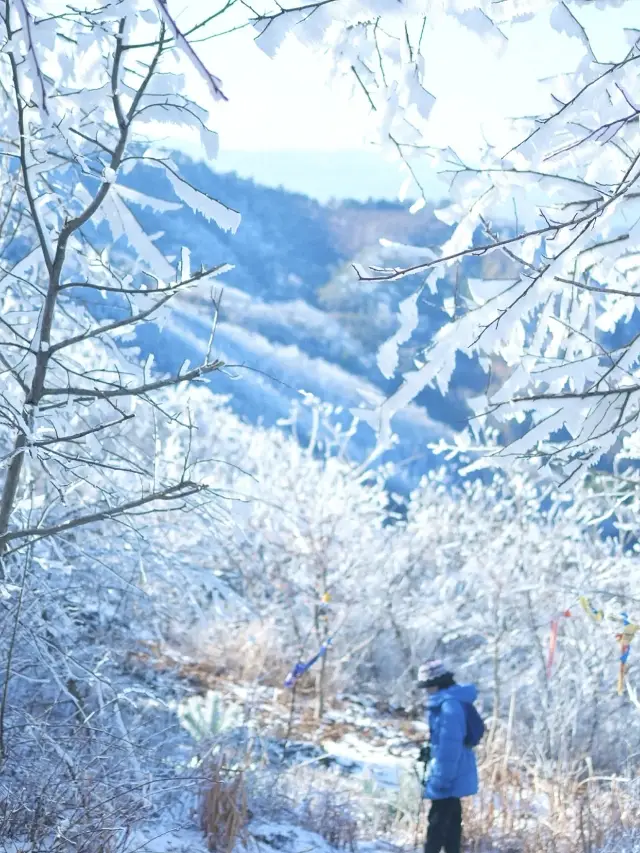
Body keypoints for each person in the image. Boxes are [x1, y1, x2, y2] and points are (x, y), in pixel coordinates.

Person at [417, 660, 479, 853]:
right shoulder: (452, 702)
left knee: (436, 824)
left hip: (450, 773)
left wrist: (441, 779)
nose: (426, 692)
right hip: (456, 770)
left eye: (428, 687)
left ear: (437, 683)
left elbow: (449, 748)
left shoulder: (449, 706)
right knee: (451, 823)